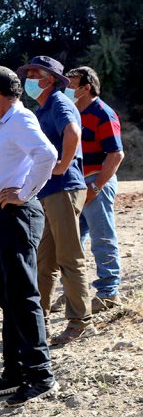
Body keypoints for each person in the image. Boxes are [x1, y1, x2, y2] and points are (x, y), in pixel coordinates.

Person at [0, 66, 59, 407]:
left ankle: (41, 375)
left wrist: (25, 193)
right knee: (10, 298)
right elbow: (8, 176)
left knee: (23, 296)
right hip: (4, 216)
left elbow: (48, 156)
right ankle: (15, 371)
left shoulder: (19, 119)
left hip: (19, 216)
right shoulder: (6, 124)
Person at [17, 56, 93, 346]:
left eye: (35, 74)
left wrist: (62, 165)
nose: (29, 78)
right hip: (50, 191)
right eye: (28, 73)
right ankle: (40, 321)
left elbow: (73, 133)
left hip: (64, 188)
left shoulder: (59, 103)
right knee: (45, 259)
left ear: (50, 79)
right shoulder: (43, 108)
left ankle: (80, 322)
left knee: (69, 257)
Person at [65, 67, 125, 312]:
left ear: (86, 88)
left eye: (71, 84)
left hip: (95, 184)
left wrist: (96, 186)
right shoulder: (73, 114)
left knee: (102, 238)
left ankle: (109, 293)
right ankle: (74, 294)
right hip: (78, 185)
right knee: (72, 242)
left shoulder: (103, 113)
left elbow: (116, 154)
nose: (67, 88)